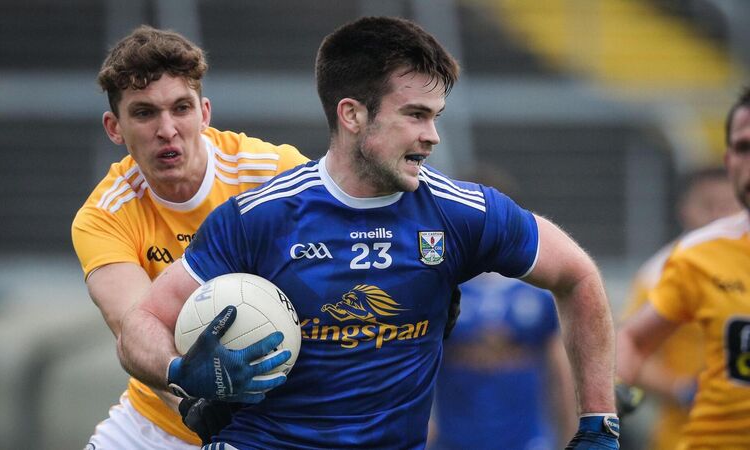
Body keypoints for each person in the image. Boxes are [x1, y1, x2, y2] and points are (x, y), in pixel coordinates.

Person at [117, 16, 619, 449]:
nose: (432, 136)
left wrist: (599, 423)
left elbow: (577, 276)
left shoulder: (461, 213)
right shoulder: (259, 217)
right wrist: (179, 371)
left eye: (435, 116)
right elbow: (143, 323)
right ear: (353, 114)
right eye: (415, 115)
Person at [70, 25, 309, 449]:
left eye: (181, 108)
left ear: (204, 113)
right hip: (160, 424)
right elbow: (135, 330)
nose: (167, 129)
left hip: (281, 421)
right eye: (144, 113)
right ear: (114, 127)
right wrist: (189, 393)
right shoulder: (103, 216)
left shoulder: (275, 174)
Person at [617, 86, 750, 448]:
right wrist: (678, 389)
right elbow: (630, 341)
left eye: (724, 204)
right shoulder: (686, 259)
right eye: (743, 148)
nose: (718, 213)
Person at [429, 272, 577, 450]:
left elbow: (561, 375)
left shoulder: (540, 295)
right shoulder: (439, 295)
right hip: (454, 440)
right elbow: (418, 366)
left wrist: (570, 434)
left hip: (527, 440)